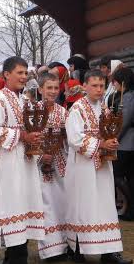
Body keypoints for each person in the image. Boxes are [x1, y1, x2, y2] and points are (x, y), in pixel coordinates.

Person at [65, 69, 132, 264]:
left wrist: (111, 142)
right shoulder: (77, 109)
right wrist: (101, 144)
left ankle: (109, 252)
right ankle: (78, 252)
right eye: (94, 85)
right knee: (83, 207)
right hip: (83, 168)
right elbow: (74, 139)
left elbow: (111, 130)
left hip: (103, 166)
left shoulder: (104, 108)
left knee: (105, 206)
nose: (99, 89)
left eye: (102, 85)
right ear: (84, 86)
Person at [0, 56, 45, 264]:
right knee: (14, 208)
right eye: (19, 72)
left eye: (25, 72)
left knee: (26, 207)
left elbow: (29, 128)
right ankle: (17, 257)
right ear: (6, 74)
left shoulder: (23, 100)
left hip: (26, 163)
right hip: (10, 165)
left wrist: (35, 137)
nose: (23, 76)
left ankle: (15, 257)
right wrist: (22, 136)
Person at [37, 72, 69, 261]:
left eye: (56, 88)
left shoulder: (63, 112)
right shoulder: (32, 111)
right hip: (39, 166)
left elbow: (69, 139)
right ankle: (50, 250)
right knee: (45, 205)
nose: (53, 91)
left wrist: (63, 140)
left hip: (60, 164)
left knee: (62, 203)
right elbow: (27, 139)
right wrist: (42, 155)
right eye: (49, 87)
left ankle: (65, 244)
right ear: (41, 89)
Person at [111, 67, 134, 221]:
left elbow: (123, 122)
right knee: (129, 177)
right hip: (128, 142)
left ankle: (131, 207)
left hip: (126, 143)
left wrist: (113, 139)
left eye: (115, 82)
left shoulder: (128, 97)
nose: (114, 85)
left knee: (117, 175)